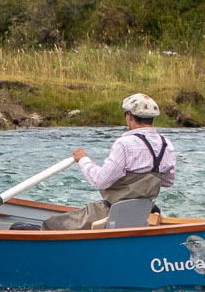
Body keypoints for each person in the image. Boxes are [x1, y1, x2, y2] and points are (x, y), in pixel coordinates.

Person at [42, 92, 176, 230]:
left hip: (111, 212)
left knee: (49, 225)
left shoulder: (124, 144)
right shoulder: (167, 144)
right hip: (144, 213)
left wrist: (83, 160)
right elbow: (167, 181)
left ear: (129, 115)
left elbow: (100, 181)